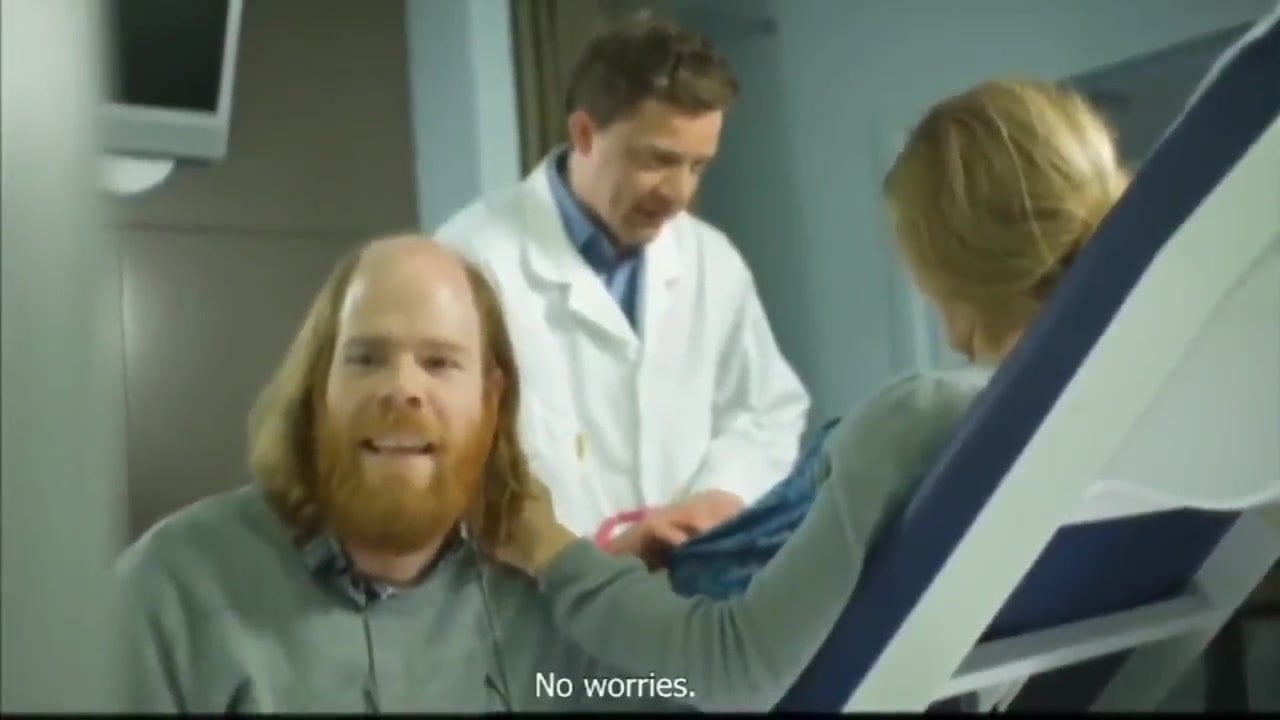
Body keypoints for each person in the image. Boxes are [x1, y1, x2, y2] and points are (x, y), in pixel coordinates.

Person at [498, 75, 1134, 688]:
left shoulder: (923, 419)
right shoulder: (1108, 410)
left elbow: (735, 665)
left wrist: (551, 550)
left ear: (938, 256)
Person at [114, 234, 834, 713]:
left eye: (440, 362)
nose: (403, 388)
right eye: (366, 358)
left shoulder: (546, 618)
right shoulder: (174, 594)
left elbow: (708, 686)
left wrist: (590, 575)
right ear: (316, 392)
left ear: (491, 403)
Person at [434, 16, 810, 557]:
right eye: (658, 160)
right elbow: (442, 461)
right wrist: (592, 562)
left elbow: (765, 411)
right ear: (585, 134)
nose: (678, 193)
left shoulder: (711, 261)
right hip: (532, 596)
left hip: (682, 587)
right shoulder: (468, 261)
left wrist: (717, 497)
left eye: (697, 167)